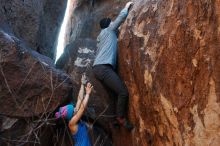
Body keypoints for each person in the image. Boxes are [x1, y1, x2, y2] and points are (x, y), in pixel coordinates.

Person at [92, 2, 134, 130]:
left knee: (113, 94)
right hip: (104, 68)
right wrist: (127, 7)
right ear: (108, 25)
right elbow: (120, 19)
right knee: (122, 92)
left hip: (98, 68)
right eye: (111, 22)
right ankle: (120, 118)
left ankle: (113, 120)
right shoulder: (109, 30)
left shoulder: (102, 37)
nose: (112, 24)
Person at [55, 75, 93, 146]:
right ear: (72, 114)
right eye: (74, 109)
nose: (75, 108)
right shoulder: (71, 123)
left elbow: (79, 99)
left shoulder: (74, 115)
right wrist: (87, 94)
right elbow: (82, 109)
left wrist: (82, 84)